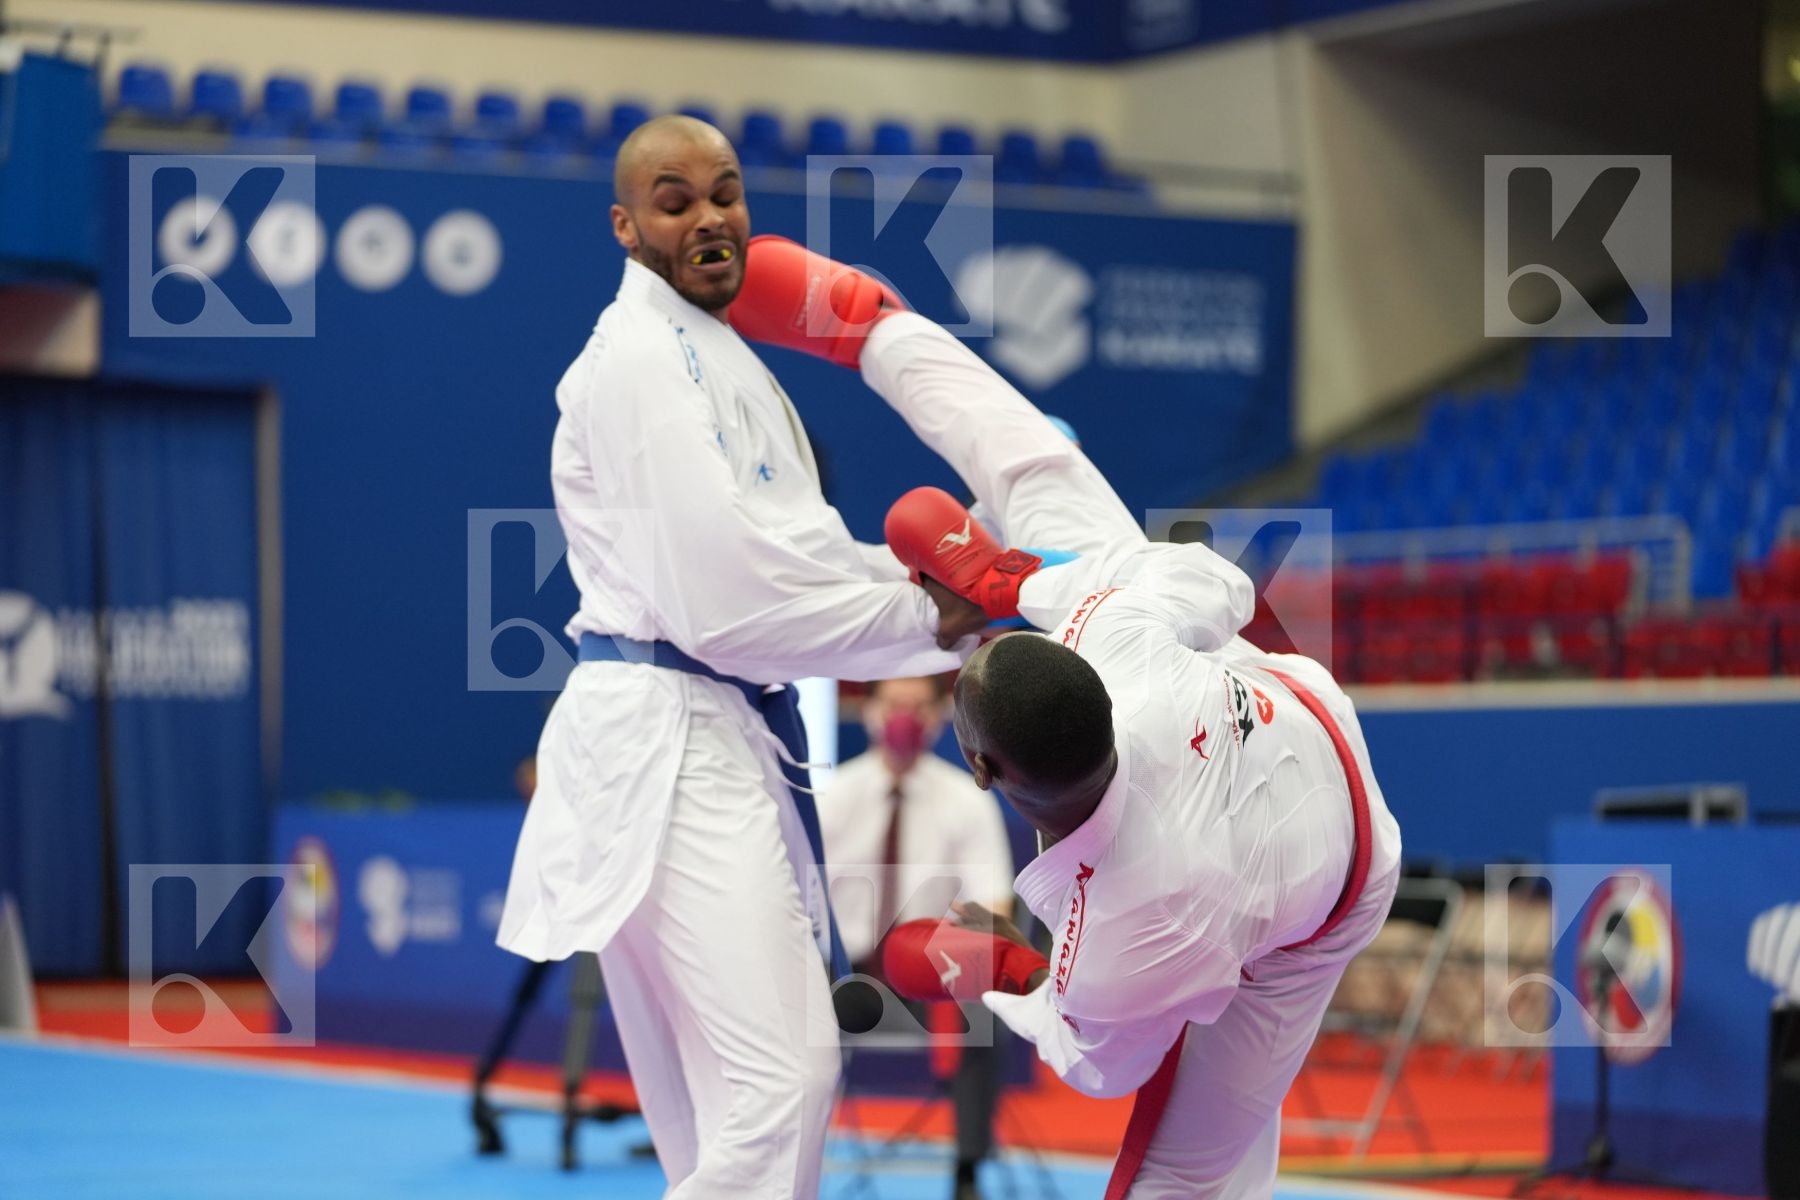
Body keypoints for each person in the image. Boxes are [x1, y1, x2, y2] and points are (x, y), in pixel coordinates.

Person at [727, 235, 1404, 1198]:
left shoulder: (1120, 932)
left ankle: (885, 340)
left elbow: (1099, 1067)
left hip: (1313, 908)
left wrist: (1001, 970)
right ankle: (871, 327)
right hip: (1305, 748)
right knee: (1048, 484)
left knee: (1173, 1174)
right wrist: (1009, 580)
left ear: (982, 769)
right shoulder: (1119, 648)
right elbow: (1217, 582)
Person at [494, 117, 984, 1200]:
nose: (709, 217)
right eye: (675, 202)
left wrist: (957, 585)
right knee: (782, 1079)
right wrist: (937, 616)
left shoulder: (719, 356)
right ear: (627, 227)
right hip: (669, 737)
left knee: (720, 1110)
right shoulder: (639, 361)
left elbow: (804, 557)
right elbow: (727, 603)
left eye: (725, 193)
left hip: (694, 728)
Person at [817, 675, 1014, 1200]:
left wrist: (962, 953)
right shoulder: (832, 797)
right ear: (868, 711)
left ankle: (968, 1171)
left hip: (930, 979)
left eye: (918, 706)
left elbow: (994, 905)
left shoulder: (968, 800)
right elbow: (797, 896)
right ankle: (783, 1155)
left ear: (939, 716)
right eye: (894, 704)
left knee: (983, 1008)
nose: (904, 717)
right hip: (844, 976)